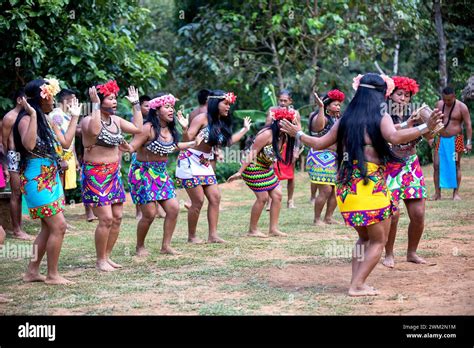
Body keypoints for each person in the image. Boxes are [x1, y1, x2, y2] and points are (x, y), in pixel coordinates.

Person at [280, 73, 443, 296]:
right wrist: (426, 127)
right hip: (370, 186)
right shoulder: (381, 115)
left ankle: (356, 281)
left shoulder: (346, 118)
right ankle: (357, 285)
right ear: (379, 94)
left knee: (364, 237)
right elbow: (395, 137)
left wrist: (297, 132)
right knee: (378, 240)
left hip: (347, 188)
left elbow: (318, 143)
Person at [13, 78, 80, 285]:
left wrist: (75, 117)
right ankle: (52, 275)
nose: (54, 99)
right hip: (35, 177)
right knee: (59, 225)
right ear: (42, 97)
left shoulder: (48, 119)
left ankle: (32, 272)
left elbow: (66, 143)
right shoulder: (26, 119)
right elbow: (30, 145)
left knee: (48, 227)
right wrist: (32, 115)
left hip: (50, 177)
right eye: (51, 95)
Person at [124, 93, 203, 256]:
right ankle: (140, 246)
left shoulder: (170, 129)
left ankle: (166, 246)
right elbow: (132, 147)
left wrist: (188, 134)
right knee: (149, 214)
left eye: (172, 107)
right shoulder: (148, 128)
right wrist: (120, 144)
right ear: (156, 110)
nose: (171, 110)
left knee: (173, 209)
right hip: (142, 173)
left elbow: (173, 146)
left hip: (160, 173)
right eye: (167, 107)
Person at [80, 80, 143, 272]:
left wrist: (135, 104)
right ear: (99, 100)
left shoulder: (116, 121)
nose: (114, 101)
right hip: (95, 174)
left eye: (115, 98)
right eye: (110, 98)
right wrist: (95, 105)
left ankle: (107, 257)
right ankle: (100, 260)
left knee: (117, 217)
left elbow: (137, 128)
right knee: (106, 218)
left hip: (113, 173)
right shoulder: (88, 120)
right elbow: (96, 130)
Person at [176, 90, 251, 243]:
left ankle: (213, 235)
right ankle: (192, 237)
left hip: (205, 162)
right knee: (198, 201)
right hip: (189, 160)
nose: (228, 107)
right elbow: (187, 140)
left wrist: (245, 129)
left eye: (229, 104)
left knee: (215, 197)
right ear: (215, 103)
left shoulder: (220, 121)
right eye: (225, 103)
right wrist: (184, 129)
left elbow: (228, 142)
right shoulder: (201, 118)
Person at [383, 76, 436, 268]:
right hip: (389, 167)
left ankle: (412, 252)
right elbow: (394, 136)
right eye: (399, 94)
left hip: (411, 166)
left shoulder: (416, 114)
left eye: (407, 95)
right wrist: (411, 125)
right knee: (393, 213)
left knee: (419, 213)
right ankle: (388, 253)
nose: (403, 98)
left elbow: (431, 136)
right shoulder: (383, 116)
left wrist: (432, 122)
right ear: (390, 95)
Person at [228, 108, 297, 237]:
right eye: (287, 123)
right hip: (252, 167)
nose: (290, 125)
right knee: (263, 197)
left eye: (290, 123)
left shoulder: (285, 136)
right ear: (279, 123)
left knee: (277, 195)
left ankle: (273, 229)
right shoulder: (266, 134)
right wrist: (239, 172)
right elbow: (252, 153)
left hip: (265, 169)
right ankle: (252, 230)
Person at [306, 89, 345, 225]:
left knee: (335, 189)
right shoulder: (317, 116)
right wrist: (321, 107)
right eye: (335, 104)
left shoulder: (338, 118)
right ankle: (317, 219)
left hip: (335, 157)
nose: (338, 107)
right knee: (326, 189)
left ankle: (328, 217)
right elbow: (318, 128)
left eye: (339, 105)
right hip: (319, 156)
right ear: (327, 105)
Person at [430, 87, 472, 200]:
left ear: (454, 96)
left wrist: (468, 142)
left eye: (449, 100)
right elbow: (432, 121)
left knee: (456, 165)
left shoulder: (462, 107)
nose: (447, 102)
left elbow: (468, 125)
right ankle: (437, 194)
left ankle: (456, 194)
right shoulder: (439, 105)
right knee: (436, 165)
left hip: (456, 140)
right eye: (445, 100)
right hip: (440, 139)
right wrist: (430, 137)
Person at [2, 88, 31, 240]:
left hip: (26, 156)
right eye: (27, 99)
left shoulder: (27, 116)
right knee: (16, 193)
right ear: (20, 100)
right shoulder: (10, 117)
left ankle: (20, 226)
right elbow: (4, 142)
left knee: (23, 192)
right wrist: (7, 164)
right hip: (14, 156)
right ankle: (17, 230)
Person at [265, 89, 301, 209]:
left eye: (285, 100)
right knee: (272, 172)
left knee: (290, 175)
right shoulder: (272, 110)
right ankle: (270, 201)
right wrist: (272, 118)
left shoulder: (295, 113)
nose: (282, 103)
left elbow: (299, 132)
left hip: (289, 147)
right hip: (275, 146)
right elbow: (266, 128)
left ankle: (290, 200)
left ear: (290, 101)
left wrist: (296, 150)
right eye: (280, 100)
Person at [48, 89, 81, 191]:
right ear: (66, 101)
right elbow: (55, 141)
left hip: (68, 156)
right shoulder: (56, 116)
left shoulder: (68, 115)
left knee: (63, 187)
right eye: (74, 100)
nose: (77, 103)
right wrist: (61, 159)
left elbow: (71, 139)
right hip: (60, 158)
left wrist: (74, 157)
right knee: (59, 188)